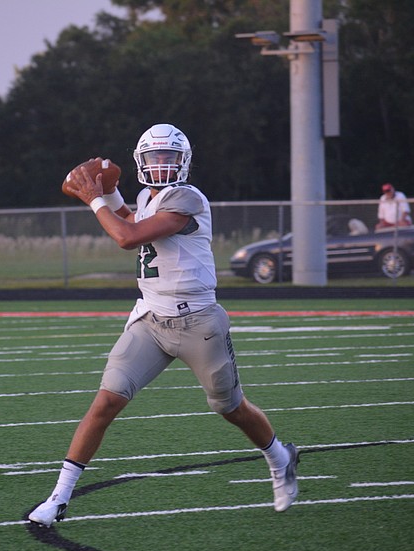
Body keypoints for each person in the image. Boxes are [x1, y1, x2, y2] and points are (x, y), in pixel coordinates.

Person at [28, 124, 299, 527]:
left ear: (184, 162)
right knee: (105, 402)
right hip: (151, 319)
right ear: (141, 162)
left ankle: (279, 457)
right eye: (154, 159)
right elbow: (130, 216)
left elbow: (128, 236)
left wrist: (92, 198)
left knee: (230, 407)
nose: (161, 167)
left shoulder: (187, 197)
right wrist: (110, 195)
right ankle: (59, 498)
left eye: (169, 159)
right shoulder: (147, 197)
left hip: (198, 320)